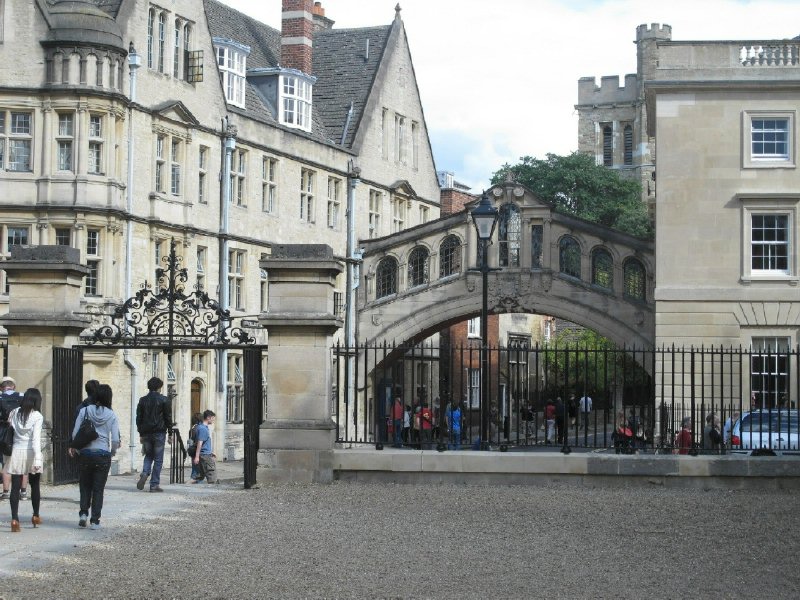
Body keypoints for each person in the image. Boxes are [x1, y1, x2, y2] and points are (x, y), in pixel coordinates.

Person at [69, 384, 120, 530]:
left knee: (85, 485)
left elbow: (75, 433)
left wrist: (78, 448)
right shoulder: (111, 414)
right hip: (103, 453)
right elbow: (115, 439)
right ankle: (95, 520)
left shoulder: (85, 411)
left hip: (86, 452)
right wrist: (113, 451)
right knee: (98, 488)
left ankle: (83, 513)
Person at [5, 388, 44, 532]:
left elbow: (11, 429)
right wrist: (38, 459)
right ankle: (35, 515)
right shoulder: (37, 416)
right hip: (31, 453)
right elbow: (35, 440)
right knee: (34, 486)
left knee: (15, 487)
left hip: (16, 451)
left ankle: (15, 519)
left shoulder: (14, 412)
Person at [135, 377, 173, 493]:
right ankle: (154, 484)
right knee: (158, 459)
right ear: (159, 387)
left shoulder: (142, 400)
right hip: (159, 432)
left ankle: (145, 472)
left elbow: (138, 418)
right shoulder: (164, 400)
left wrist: (141, 433)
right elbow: (168, 417)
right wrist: (170, 433)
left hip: (146, 433)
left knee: (148, 455)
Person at [0, 376, 26, 501]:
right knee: (23, 463)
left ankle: (5, 492)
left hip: (4, 432)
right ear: (13, 386)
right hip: (20, 433)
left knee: (6, 462)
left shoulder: (0, 397)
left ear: (1, 387)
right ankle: (23, 492)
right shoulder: (22, 396)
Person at [192, 410, 217, 484]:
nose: (213, 420)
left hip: (205, 454)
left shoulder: (201, 427)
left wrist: (211, 452)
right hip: (205, 456)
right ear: (208, 418)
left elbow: (203, 443)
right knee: (212, 474)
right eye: (212, 418)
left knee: (199, 476)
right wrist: (197, 457)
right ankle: (212, 493)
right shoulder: (203, 428)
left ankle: (184, 486)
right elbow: (200, 443)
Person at [187, 412, 203, 482]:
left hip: (192, 450)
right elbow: (199, 441)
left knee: (194, 467)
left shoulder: (192, 428)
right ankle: (193, 481)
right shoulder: (198, 428)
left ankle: (192, 479)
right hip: (197, 450)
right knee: (198, 470)